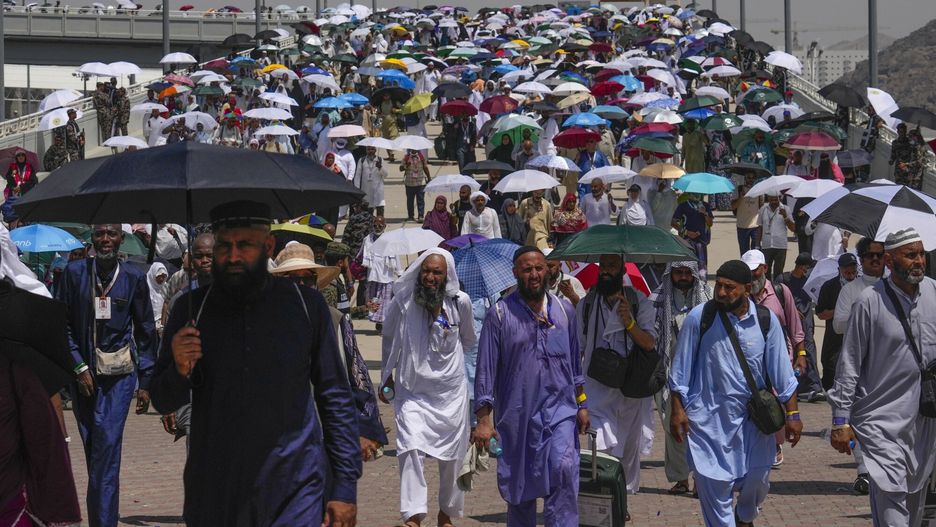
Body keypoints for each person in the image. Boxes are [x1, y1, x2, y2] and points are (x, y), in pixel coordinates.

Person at [149, 200, 361, 526]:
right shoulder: (191, 311)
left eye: (244, 245)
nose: (232, 256)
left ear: (268, 246)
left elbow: (334, 396)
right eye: (224, 245)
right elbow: (163, 399)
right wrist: (179, 368)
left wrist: (344, 486)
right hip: (216, 493)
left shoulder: (306, 307)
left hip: (295, 486)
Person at [669, 260, 802, 527]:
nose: (720, 293)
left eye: (729, 288)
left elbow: (782, 375)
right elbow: (679, 372)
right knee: (715, 492)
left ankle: (744, 517)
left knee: (758, 481)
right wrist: (677, 410)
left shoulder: (766, 322)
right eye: (719, 286)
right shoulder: (700, 317)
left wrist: (793, 414)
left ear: (746, 289)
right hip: (708, 427)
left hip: (754, 426)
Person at [829, 228, 936, 527]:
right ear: (889, 261)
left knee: (913, 510)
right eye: (910, 255)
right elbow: (849, 364)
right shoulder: (868, 302)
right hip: (880, 424)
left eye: (921, 255)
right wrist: (841, 420)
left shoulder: (934, 293)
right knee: (892, 511)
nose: (919, 261)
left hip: (924, 422)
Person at [474, 246, 589, 525]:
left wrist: (582, 403)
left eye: (540, 268)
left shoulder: (565, 311)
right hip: (518, 418)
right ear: (516, 273)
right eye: (527, 269)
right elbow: (486, 371)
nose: (535, 274)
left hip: (561, 412)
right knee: (521, 489)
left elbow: (575, 364)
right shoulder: (499, 315)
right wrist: (483, 420)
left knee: (563, 470)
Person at [55, 224, 158, 527]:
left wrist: (146, 382)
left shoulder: (134, 277)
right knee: (95, 453)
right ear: (92, 238)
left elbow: (146, 331)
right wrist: (78, 366)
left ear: (121, 238)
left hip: (119, 378)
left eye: (111, 234)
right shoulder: (75, 274)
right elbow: (61, 324)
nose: (105, 240)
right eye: (99, 234)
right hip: (83, 378)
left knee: (107, 449)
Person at [379, 249, 475, 527]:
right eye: (427, 271)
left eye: (437, 273)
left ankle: (446, 513)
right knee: (409, 448)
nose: (431, 277)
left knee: (453, 458)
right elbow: (388, 338)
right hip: (412, 392)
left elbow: (468, 340)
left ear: (447, 276)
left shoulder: (460, 303)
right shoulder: (403, 303)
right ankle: (413, 515)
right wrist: (387, 374)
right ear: (419, 272)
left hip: (451, 395)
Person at [577, 254, 658, 501]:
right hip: (597, 388)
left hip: (630, 390)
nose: (606, 271)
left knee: (628, 453)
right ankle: (603, 500)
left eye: (612, 266)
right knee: (599, 448)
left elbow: (649, 343)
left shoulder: (639, 301)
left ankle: (621, 501)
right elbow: (578, 347)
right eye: (603, 266)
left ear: (622, 269)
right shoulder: (587, 304)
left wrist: (630, 323)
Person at [651, 261, 710, 496]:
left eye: (687, 272)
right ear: (671, 274)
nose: (683, 276)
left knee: (699, 428)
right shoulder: (657, 298)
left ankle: (701, 479)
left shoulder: (707, 296)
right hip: (668, 370)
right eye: (678, 272)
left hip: (700, 373)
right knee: (671, 425)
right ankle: (680, 479)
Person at [774, 253, 826, 401]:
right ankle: (794, 385)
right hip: (788, 322)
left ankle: (815, 386)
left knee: (808, 350)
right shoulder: (783, 279)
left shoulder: (809, 281)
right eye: (807, 267)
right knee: (791, 353)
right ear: (801, 266)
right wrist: (792, 310)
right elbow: (776, 300)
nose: (807, 271)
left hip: (806, 322)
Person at [815, 252, 858, 391]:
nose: (850, 272)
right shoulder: (829, 286)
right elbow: (821, 314)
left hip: (857, 338)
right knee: (831, 370)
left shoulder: (863, 285)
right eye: (846, 268)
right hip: (834, 339)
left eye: (853, 268)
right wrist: (840, 311)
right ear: (839, 269)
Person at [362, 217, 400, 330]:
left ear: (385, 226)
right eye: (375, 225)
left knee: (386, 302)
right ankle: (378, 322)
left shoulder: (390, 240)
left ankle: (383, 324)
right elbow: (362, 256)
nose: (377, 228)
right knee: (375, 301)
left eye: (380, 226)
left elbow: (396, 257)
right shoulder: (367, 239)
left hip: (387, 276)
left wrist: (399, 272)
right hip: (373, 276)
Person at [672, 193, 714, 280]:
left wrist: (705, 213)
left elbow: (710, 223)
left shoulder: (705, 205)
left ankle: (702, 286)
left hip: (701, 242)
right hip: (687, 242)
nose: (696, 194)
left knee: (702, 266)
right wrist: (686, 232)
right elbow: (673, 222)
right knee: (686, 265)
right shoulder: (683, 206)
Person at [755, 194, 794, 280]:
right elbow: (759, 227)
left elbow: (793, 228)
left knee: (778, 273)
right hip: (766, 246)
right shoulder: (763, 209)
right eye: (771, 199)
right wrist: (757, 245)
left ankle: (777, 290)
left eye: (775, 199)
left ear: (779, 198)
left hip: (780, 246)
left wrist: (785, 216)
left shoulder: (786, 209)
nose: (773, 202)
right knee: (765, 272)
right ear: (768, 198)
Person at [732, 174, 763, 254]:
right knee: (744, 252)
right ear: (745, 178)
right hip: (742, 225)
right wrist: (741, 197)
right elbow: (733, 207)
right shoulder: (739, 189)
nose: (751, 180)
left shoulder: (759, 190)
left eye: (753, 178)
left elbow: (761, 207)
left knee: (756, 252)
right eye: (749, 177)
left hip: (755, 226)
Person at [354, 146, 388, 217]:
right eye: (368, 149)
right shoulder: (362, 160)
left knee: (380, 216)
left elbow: (386, 174)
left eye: (372, 149)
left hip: (378, 193)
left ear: (375, 150)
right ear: (366, 150)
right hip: (366, 193)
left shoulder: (380, 160)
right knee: (367, 217)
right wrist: (357, 190)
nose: (370, 151)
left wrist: (380, 167)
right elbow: (357, 176)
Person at [401, 148, 431, 222]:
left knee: (420, 200)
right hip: (409, 183)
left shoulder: (421, 156)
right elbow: (401, 168)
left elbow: (425, 167)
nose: (414, 150)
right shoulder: (406, 157)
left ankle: (421, 216)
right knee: (410, 201)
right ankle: (410, 216)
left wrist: (429, 177)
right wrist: (406, 165)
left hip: (420, 183)